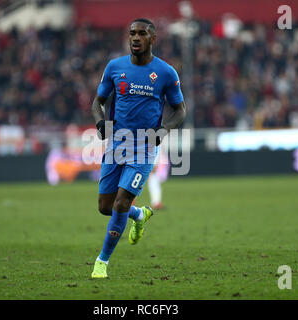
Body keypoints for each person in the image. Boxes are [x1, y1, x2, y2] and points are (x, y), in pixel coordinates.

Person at [90, 18, 186, 278]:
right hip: (116, 144)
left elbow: (180, 110)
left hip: (144, 146)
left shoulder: (166, 73)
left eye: (142, 33)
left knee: (120, 203)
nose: (135, 37)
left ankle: (102, 261)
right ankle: (139, 215)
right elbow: (97, 102)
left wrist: (163, 130)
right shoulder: (114, 67)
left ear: (153, 39)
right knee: (104, 206)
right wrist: (100, 122)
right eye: (132, 33)